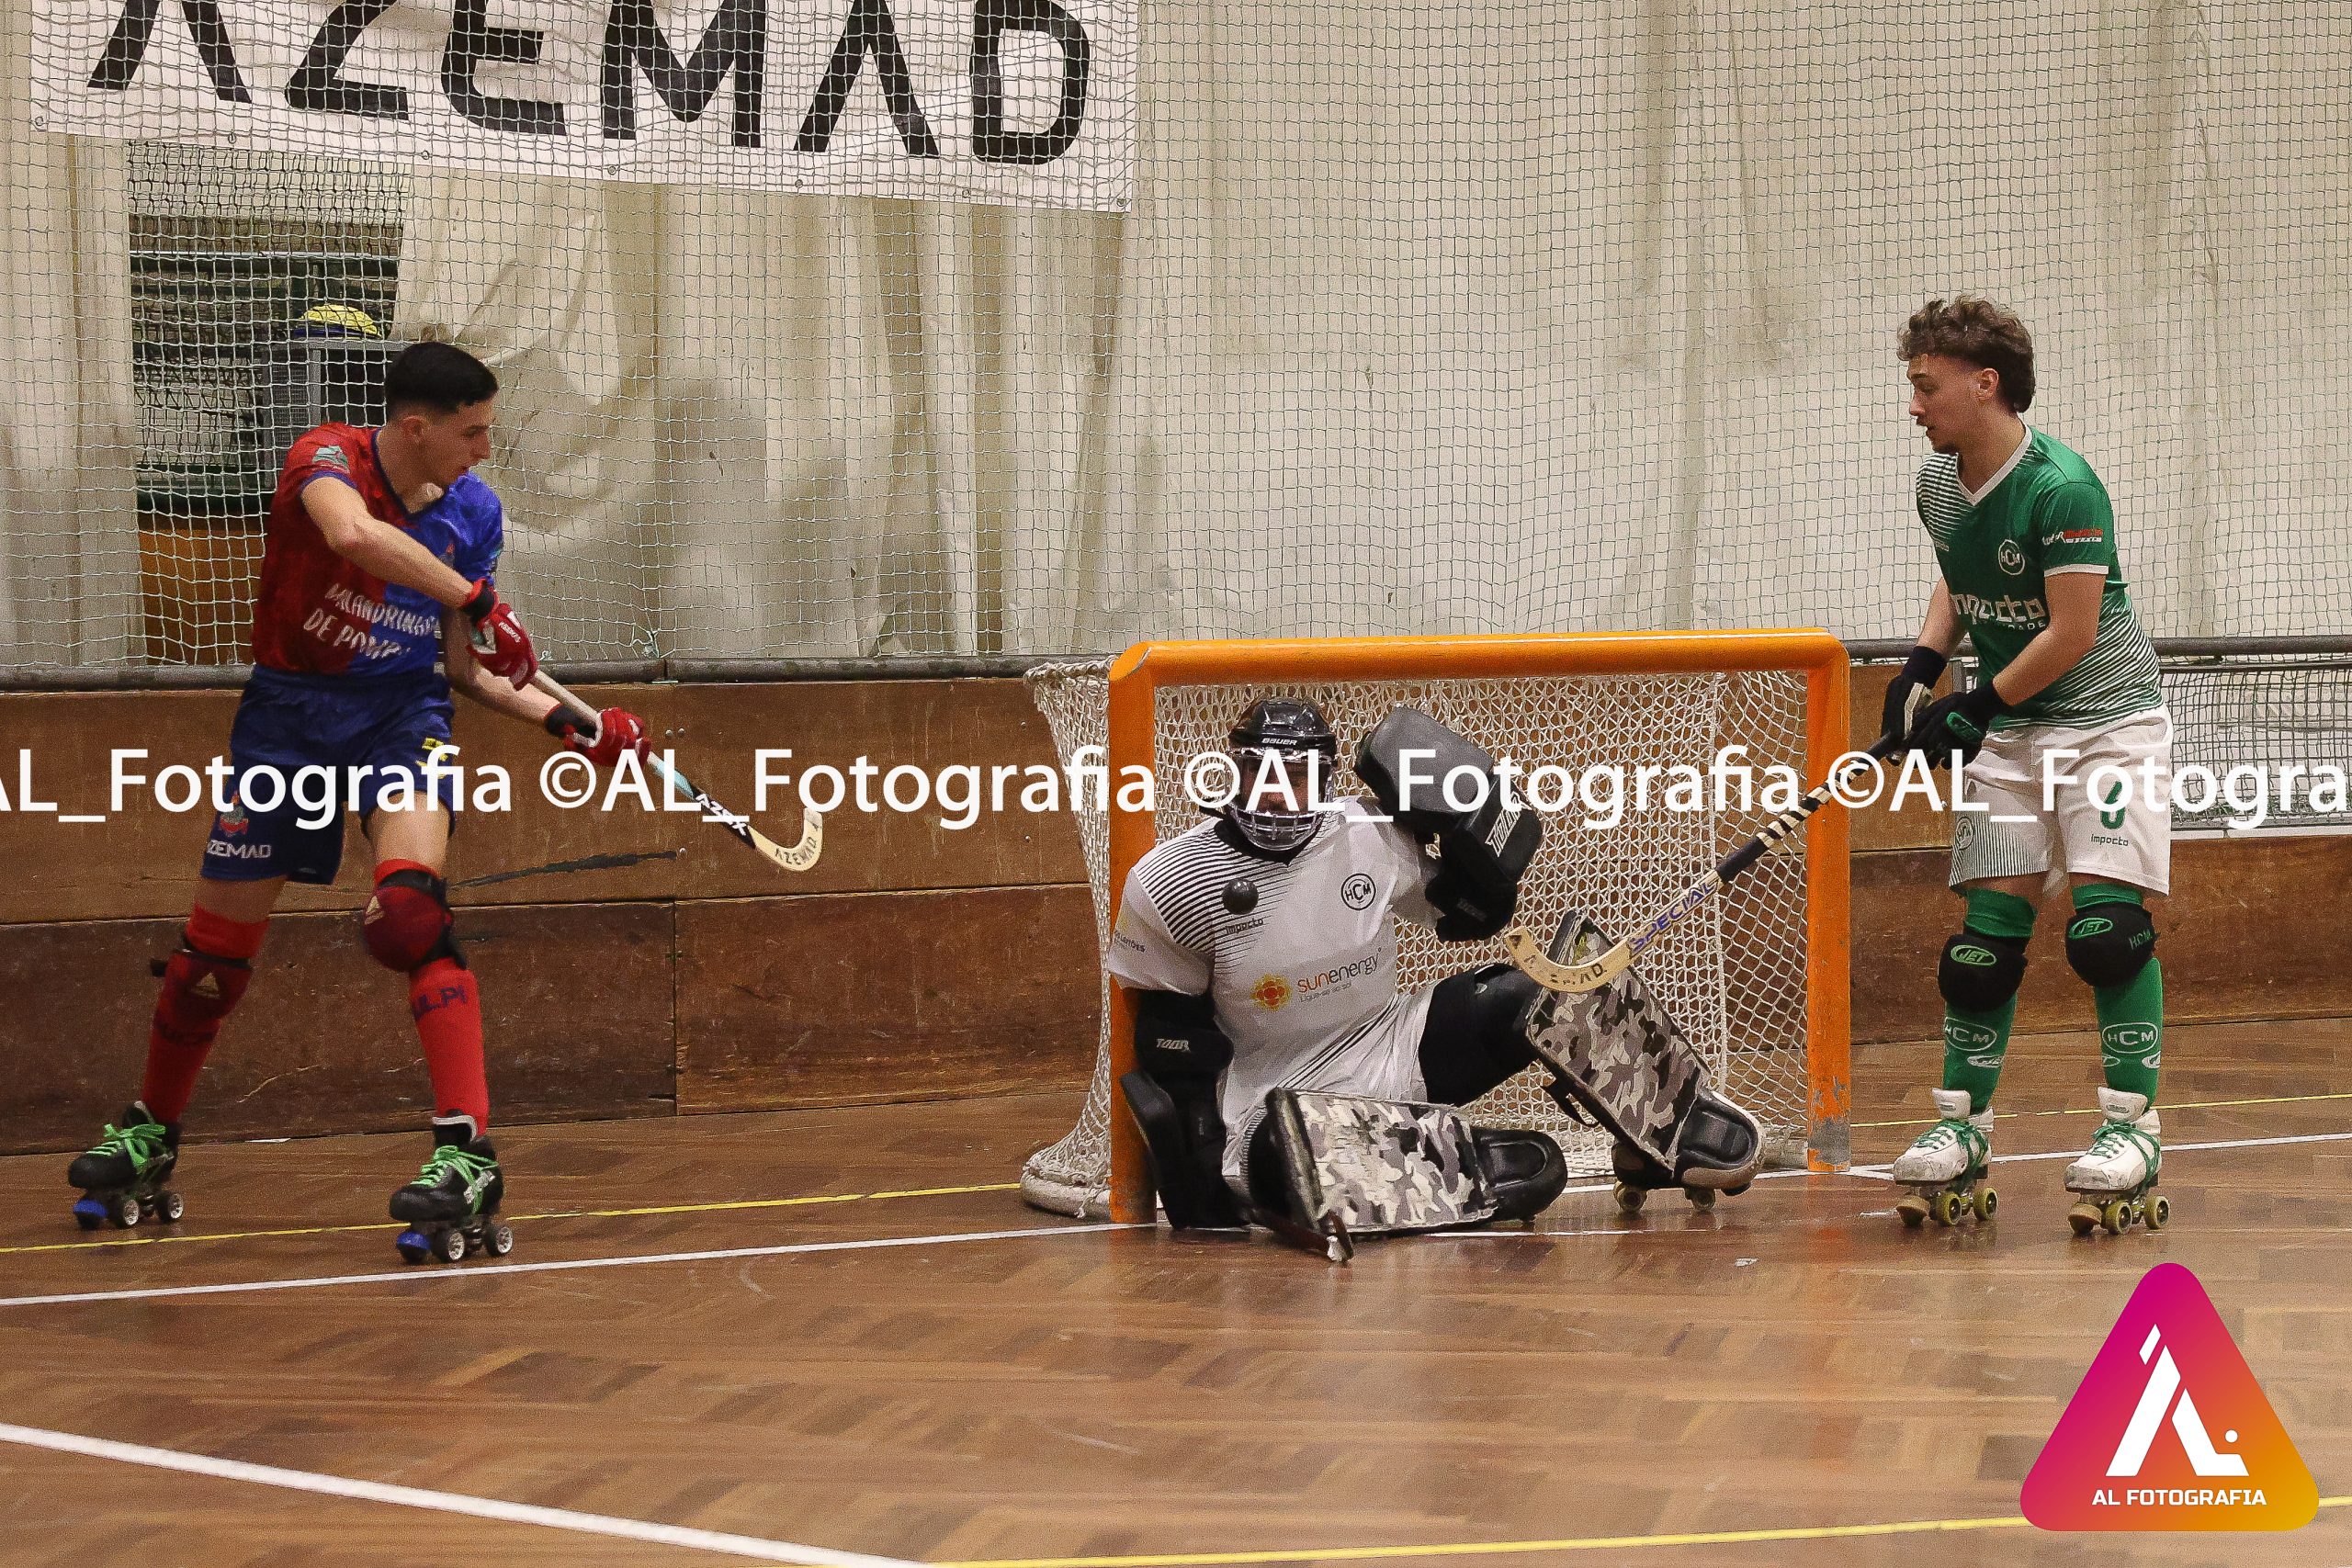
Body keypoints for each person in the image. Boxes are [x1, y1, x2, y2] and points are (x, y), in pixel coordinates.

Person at [66, 341, 648, 1254]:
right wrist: (478, 598)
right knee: (209, 961)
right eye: (471, 433)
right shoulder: (325, 458)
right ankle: (149, 1133)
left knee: (412, 915)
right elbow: (352, 537)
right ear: (415, 429)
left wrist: (574, 725)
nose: (484, 451)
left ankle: (466, 1153)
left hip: (399, 719)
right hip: (288, 720)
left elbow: (466, 670)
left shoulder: (473, 511)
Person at [1882, 297, 2173, 1234]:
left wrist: (1975, 704)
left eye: (1926, 386)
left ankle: (2131, 1130)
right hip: (2011, 730)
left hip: (2105, 726)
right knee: (1981, 950)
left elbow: (2073, 631)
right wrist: (1922, 665)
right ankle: (1961, 1126)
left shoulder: (2064, 488)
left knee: (2106, 934)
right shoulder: (1938, 482)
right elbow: (1961, 574)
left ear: (1985, 384)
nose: (1914, 405)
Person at [1105, 697, 1566, 1232]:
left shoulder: (1371, 833)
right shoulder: (1172, 879)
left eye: (1296, 775)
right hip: (1276, 1106)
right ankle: (1441, 1156)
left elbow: (1466, 919)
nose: (1275, 792)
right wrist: (1203, 1182)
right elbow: (1173, 1042)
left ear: (1325, 780)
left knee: (1538, 996)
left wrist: (1480, 861)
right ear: (1234, 770)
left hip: (1390, 1048)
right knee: (1287, 1162)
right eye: (1259, 771)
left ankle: (1655, 1141)